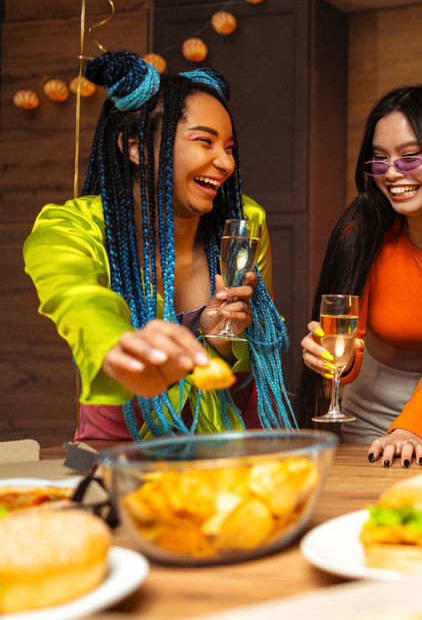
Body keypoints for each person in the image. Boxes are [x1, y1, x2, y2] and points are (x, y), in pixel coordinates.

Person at [23, 50, 293, 440]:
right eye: (205, 142)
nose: (226, 163)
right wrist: (120, 344)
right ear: (134, 146)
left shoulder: (243, 222)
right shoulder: (74, 229)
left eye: (229, 148)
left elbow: (247, 364)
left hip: (235, 445)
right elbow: (77, 300)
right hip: (120, 451)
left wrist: (221, 344)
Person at [299, 86, 422, 467]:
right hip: (370, 401)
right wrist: (331, 362)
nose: (390, 173)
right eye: (379, 159)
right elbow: (350, 342)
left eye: (408, 157)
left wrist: (414, 423)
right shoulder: (362, 231)